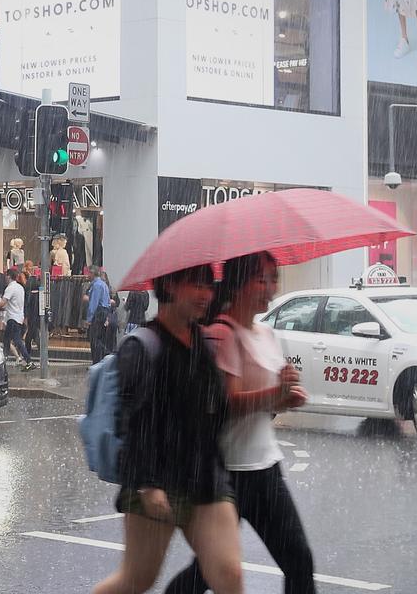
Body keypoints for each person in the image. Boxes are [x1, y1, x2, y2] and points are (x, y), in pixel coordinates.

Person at [164, 252, 314, 594]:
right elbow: (226, 404)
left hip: (266, 468)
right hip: (227, 474)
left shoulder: (266, 334)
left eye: (274, 279)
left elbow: (266, 405)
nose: (270, 288)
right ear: (239, 284)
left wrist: (286, 398)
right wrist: (275, 392)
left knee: (299, 560)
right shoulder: (221, 334)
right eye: (261, 279)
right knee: (207, 571)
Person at [93, 264, 243, 594]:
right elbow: (134, 422)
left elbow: (215, 410)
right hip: (157, 480)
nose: (206, 295)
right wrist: (148, 484)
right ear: (171, 287)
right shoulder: (143, 346)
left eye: (209, 286)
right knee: (136, 580)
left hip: (204, 477)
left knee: (229, 574)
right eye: (197, 286)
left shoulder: (201, 343)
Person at [0, 268, 34, 371]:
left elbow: (3, 303)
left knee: (16, 340)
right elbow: (10, 305)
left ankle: (29, 361)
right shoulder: (20, 288)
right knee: (6, 339)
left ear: (8, 276)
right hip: (18, 317)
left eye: (6, 276)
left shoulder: (10, 288)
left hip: (12, 318)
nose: (5, 278)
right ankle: (3, 360)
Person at [85, 265, 112, 363]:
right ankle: (103, 359)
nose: (88, 275)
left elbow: (93, 303)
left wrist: (89, 319)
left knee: (95, 340)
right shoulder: (103, 284)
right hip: (104, 312)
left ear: (92, 273)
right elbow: (108, 301)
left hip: (98, 313)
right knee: (100, 338)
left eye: (89, 273)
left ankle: (99, 360)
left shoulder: (96, 285)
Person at [23, 261, 42, 354]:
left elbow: (27, 302)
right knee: (33, 335)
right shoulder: (39, 291)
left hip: (31, 315)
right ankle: (39, 355)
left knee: (31, 335)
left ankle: (27, 356)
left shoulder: (29, 287)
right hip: (36, 314)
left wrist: (26, 315)